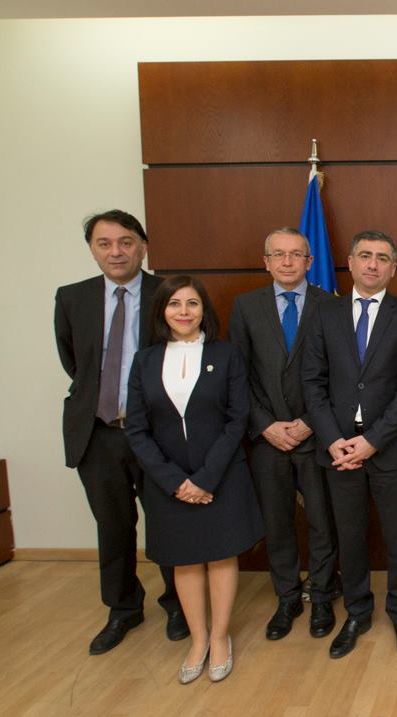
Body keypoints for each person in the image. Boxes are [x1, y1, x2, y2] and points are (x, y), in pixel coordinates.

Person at [53, 209, 185, 654]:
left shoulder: (168, 294)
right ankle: (123, 608)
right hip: (98, 432)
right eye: (104, 243)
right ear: (92, 249)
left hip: (158, 433)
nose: (116, 252)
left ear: (142, 246)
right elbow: (76, 363)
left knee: (168, 522)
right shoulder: (72, 298)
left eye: (126, 242)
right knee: (113, 525)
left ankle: (178, 604)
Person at [124, 275, 265, 684]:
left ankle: (220, 638)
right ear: (162, 311)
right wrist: (175, 481)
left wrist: (205, 479)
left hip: (221, 476)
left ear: (204, 310)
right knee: (184, 559)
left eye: (192, 303)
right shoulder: (145, 361)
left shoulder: (227, 355)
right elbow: (137, 429)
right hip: (168, 483)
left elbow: (237, 419)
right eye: (174, 304)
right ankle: (198, 639)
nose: (183, 312)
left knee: (220, 555)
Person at [301, 230, 397, 660]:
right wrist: (333, 440)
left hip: (388, 449)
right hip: (337, 450)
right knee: (349, 537)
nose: (373, 264)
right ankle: (357, 612)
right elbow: (312, 383)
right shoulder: (323, 314)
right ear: (350, 263)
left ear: (394, 268)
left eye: (383, 258)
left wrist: (372, 441)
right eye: (365, 256)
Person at [227, 227, 340, 642]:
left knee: (322, 522)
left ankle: (322, 594)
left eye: (296, 254)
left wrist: (311, 421)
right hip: (268, 437)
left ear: (310, 262)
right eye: (279, 254)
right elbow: (237, 375)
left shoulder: (332, 306)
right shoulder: (246, 307)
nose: (288, 261)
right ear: (267, 261)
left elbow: (341, 375)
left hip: (318, 434)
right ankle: (287, 597)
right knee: (277, 524)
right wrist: (265, 425)